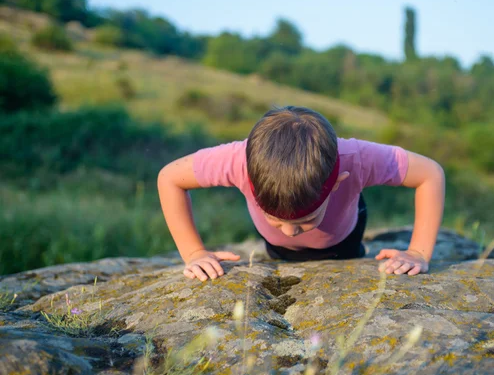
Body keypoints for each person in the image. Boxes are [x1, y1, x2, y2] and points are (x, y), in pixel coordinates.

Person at [157, 106, 445, 282]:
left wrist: (418, 252)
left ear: (335, 184)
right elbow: (170, 178)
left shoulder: (358, 158)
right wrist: (194, 253)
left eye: (305, 219)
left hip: (342, 242)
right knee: (283, 248)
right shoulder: (236, 161)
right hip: (276, 249)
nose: (291, 230)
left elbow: (430, 174)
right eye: (276, 219)